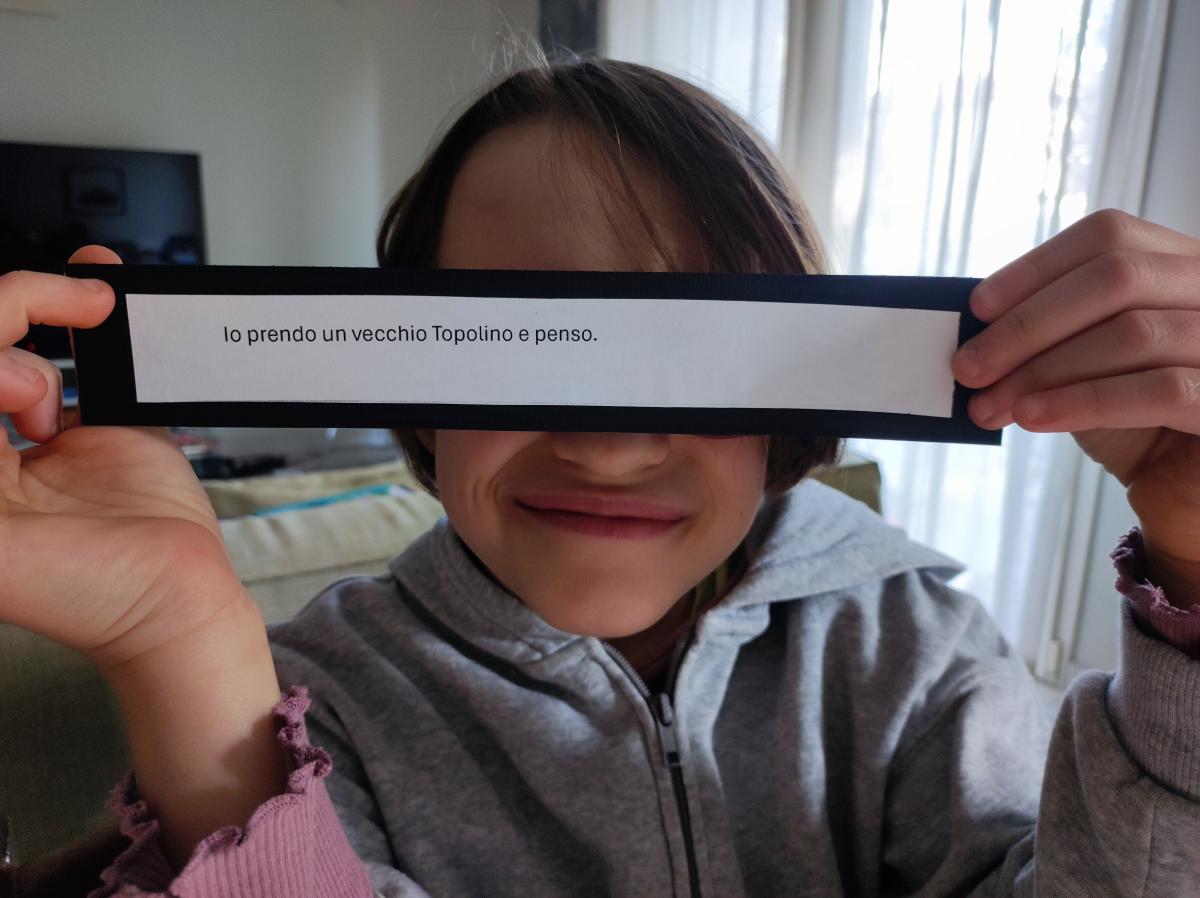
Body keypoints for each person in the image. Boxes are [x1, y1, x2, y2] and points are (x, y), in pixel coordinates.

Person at [1, 56, 1198, 898]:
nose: (610, 446)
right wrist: (178, 645)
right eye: (510, 346)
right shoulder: (313, 713)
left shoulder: (914, 645)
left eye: (700, 361)